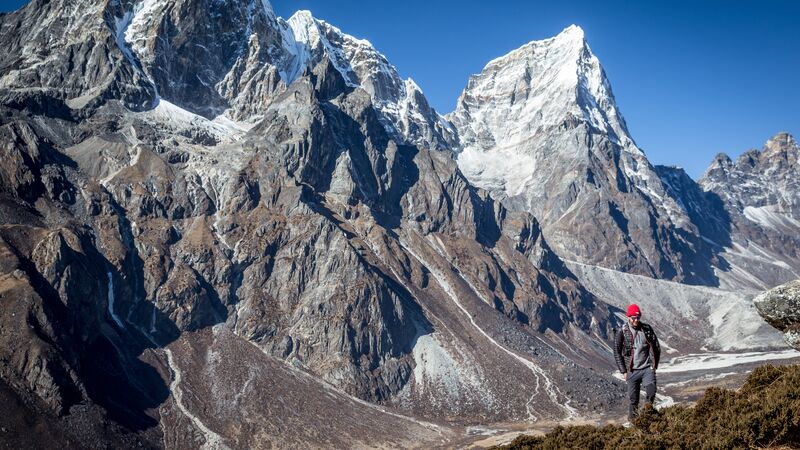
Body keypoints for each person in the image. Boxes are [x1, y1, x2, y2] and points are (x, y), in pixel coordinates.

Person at [614, 303, 661, 421]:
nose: (636, 320)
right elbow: (617, 351)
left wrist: (654, 366)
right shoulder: (622, 331)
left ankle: (646, 416)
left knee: (651, 391)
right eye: (633, 318)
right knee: (633, 400)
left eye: (638, 317)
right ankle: (633, 423)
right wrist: (624, 371)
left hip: (647, 368)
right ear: (628, 317)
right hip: (631, 371)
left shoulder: (647, 329)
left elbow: (656, 347)